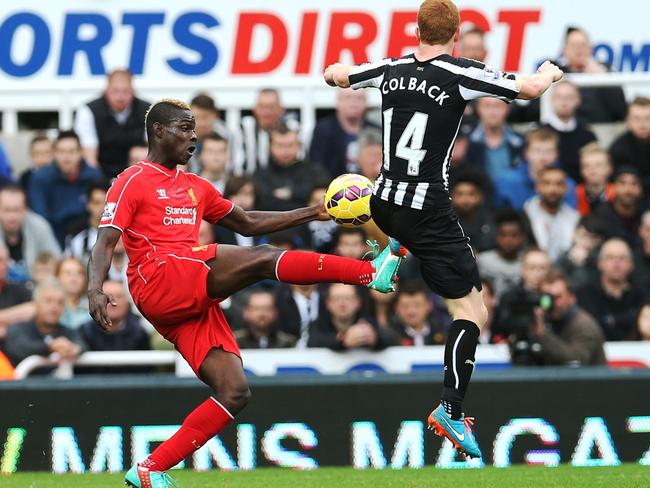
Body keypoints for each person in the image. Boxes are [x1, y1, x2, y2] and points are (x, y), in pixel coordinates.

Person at [87, 98, 404, 487]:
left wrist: (313, 211)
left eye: (194, 129)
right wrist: (94, 288)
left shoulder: (196, 187)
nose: (193, 137)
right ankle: (369, 273)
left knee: (234, 391)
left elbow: (249, 222)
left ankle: (149, 469)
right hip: (159, 278)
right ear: (158, 131)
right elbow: (105, 241)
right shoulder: (132, 179)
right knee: (264, 259)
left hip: (187, 295)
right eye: (184, 129)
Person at [324, 0, 563, 459]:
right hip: (427, 209)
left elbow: (339, 76)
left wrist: (334, 69)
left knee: (388, 212)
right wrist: (551, 72)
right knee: (473, 312)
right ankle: (450, 408)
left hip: (384, 200)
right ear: (455, 36)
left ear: (416, 30)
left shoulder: (390, 67)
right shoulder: (459, 72)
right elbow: (530, 88)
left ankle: (388, 256)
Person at [28, 131, 103, 245]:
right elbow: (40, 218)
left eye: (72, 151)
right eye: (61, 151)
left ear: (81, 152)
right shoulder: (40, 179)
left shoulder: (94, 177)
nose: (66, 157)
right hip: (51, 238)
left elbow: (101, 213)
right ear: (54, 153)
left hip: (88, 240)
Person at [74, 69, 149, 176]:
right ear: (106, 90)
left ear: (133, 91)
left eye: (125, 91)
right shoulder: (88, 111)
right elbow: (89, 157)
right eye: (115, 91)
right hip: (101, 172)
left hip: (137, 173)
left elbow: (156, 151)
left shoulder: (148, 110)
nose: (120, 97)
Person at [531, 269, 606, 366]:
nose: (551, 304)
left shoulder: (584, 325)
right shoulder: (543, 320)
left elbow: (576, 360)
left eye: (557, 297)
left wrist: (542, 335)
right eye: (547, 298)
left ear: (572, 298)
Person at [3, 279, 84, 369]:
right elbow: (21, 348)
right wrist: (50, 347)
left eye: (60, 302)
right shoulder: (18, 329)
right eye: (48, 301)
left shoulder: (68, 332)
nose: (54, 307)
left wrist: (74, 349)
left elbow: (82, 345)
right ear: (36, 303)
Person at [576, 238, 644, 341]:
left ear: (631, 264)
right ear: (600, 263)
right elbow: (591, 328)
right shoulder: (585, 294)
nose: (616, 263)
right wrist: (627, 319)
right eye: (610, 258)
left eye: (622, 258)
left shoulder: (642, 295)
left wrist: (610, 321)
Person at [555, 27, 627, 123]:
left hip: (603, 128)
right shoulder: (558, 73)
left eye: (583, 45)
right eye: (573, 45)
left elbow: (620, 108)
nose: (579, 49)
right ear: (564, 50)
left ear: (591, 49)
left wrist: (602, 77)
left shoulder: (605, 70)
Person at [253, 123, 329, 211]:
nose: (285, 151)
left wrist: (287, 194)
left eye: (290, 145)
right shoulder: (260, 174)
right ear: (270, 147)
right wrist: (300, 195)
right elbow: (263, 202)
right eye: (280, 145)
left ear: (299, 146)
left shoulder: (315, 171)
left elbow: (322, 197)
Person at [496, 128, 576, 210]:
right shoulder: (506, 181)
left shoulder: (567, 184)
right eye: (537, 151)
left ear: (557, 154)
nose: (543, 157)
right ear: (526, 153)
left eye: (549, 151)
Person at [80, 280, 150, 373]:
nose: (114, 302)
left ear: (127, 302)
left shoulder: (140, 334)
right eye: (107, 297)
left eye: (119, 296)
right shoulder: (84, 332)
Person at [309, 88, 379, 176]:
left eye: (359, 98)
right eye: (348, 97)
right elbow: (316, 165)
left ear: (366, 102)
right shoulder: (323, 130)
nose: (354, 103)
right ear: (338, 101)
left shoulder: (376, 131)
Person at [307, 283, 397, 350]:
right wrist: (343, 341)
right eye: (336, 298)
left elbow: (392, 339)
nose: (342, 304)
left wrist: (375, 339)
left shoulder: (368, 323)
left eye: (348, 298)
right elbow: (312, 343)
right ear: (328, 303)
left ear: (358, 302)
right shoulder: (318, 325)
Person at [0, 185, 61, 283]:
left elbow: (57, 262)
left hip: (36, 288)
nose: (11, 216)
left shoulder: (39, 226)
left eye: (16, 210)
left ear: (25, 210)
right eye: (6, 210)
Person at [233, 88, 300, 176]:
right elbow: (236, 166)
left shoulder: (293, 128)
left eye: (272, 107)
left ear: (282, 109)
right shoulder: (244, 129)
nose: (267, 112)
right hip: (251, 184)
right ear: (254, 109)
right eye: (262, 107)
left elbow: (301, 161)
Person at [492, 248, 551, 341]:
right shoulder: (509, 297)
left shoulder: (555, 297)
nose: (538, 273)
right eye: (532, 268)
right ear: (523, 269)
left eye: (542, 268)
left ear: (548, 270)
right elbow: (497, 330)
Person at [544, 80, 597, 181]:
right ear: (551, 99)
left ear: (578, 100)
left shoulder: (587, 135)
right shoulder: (541, 134)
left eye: (569, 97)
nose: (564, 101)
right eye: (559, 97)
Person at [523, 167, 580, 262]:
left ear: (566, 188)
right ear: (537, 187)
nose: (553, 189)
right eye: (547, 183)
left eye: (559, 184)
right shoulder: (525, 215)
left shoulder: (574, 218)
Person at [465, 97, 524, 181]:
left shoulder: (520, 142)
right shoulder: (466, 142)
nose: (492, 112)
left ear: (508, 108)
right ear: (478, 108)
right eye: (487, 106)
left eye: (498, 106)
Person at [477, 210, 529, 299]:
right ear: (496, 236)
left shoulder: (528, 262)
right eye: (503, 235)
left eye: (514, 235)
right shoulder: (482, 261)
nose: (508, 240)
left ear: (523, 237)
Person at [591, 166, 644, 248]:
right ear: (613, 187)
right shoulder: (601, 214)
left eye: (634, 183)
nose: (628, 190)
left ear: (640, 189)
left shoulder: (645, 216)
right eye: (622, 183)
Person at [609, 97, 650, 195]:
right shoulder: (617, 149)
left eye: (648, 118)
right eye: (636, 118)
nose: (642, 124)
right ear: (628, 121)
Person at [65, 181, 111, 264]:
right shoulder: (75, 235)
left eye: (106, 204)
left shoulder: (123, 234)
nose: (102, 208)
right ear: (88, 204)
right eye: (97, 203)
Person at [391, 280, 448, 346]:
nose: (411, 311)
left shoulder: (442, 333)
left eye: (417, 305)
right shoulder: (391, 335)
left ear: (429, 305)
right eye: (405, 306)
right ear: (397, 308)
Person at [451, 170, 496, 252]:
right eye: (460, 194)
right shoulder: (445, 222)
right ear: (452, 197)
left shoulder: (491, 220)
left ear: (480, 197)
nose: (465, 200)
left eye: (471, 194)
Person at [0, 242, 35, 344]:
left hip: (14, 348)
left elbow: (33, 309)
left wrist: (6, 328)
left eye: (2, 260)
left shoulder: (18, 288)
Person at [575, 143, 615, 217]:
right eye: (586, 165)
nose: (592, 170)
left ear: (609, 168)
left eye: (598, 165)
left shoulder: (618, 194)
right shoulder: (574, 195)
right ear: (581, 170)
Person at [56, 257, 89, 330]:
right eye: (68, 273)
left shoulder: (94, 308)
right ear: (57, 277)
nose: (74, 278)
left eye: (79, 273)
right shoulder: (49, 305)